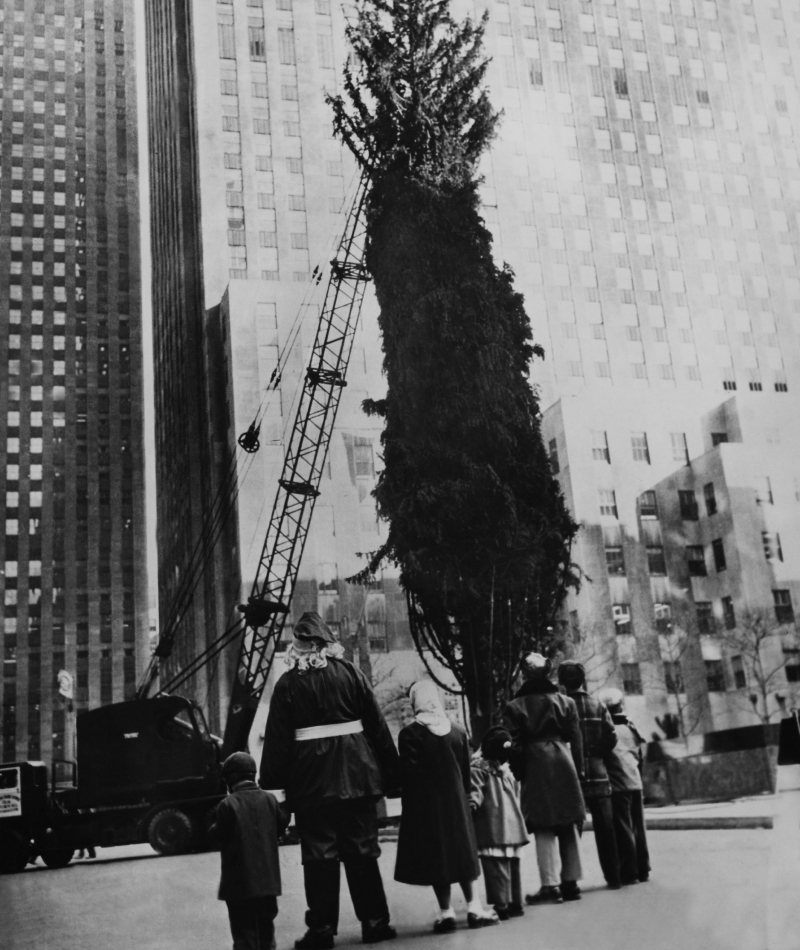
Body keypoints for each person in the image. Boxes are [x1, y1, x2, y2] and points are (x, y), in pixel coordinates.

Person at [260, 612, 400, 950]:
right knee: (362, 850)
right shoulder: (352, 673)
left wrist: (273, 785)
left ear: (304, 648)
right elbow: (377, 726)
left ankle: (322, 930)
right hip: (358, 775)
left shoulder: (288, 683)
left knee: (319, 854)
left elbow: (278, 739)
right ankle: (375, 922)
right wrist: (393, 775)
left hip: (311, 783)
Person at [394, 681, 497, 933]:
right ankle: (474, 907)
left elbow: (408, 776)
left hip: (426, 808)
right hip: (457, 803)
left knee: (437, 857)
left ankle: (446, 912)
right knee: (463, 853)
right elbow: (464, 772)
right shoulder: (458, 732)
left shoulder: (409, 734)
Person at [503, 653, 585, 904]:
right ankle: (571, 883)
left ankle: (550, 886)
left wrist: (520, 772)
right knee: (568, 821)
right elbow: (577, 739)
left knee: (543, 825)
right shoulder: (566, 702)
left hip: (535, 763)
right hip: (564, 762)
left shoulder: (515, 707)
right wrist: (578, 770)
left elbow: (513, 745)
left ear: (525, 675)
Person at [210, 752, 290, 950]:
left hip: (239, 884)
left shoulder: (227, 805)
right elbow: (281, 823)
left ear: (229, 779)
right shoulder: (270, 800)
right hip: (267, 881)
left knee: (244, 931)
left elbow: (218, 834)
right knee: (266, 927)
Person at [557, 661, 621, 889]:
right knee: (606, 829)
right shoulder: (597, 705)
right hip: (598, 774)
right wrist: (596, 752)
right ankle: (614, 876)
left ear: (562, 682)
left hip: (570, 776)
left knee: (572, 830)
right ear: (583, 680)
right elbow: (612, 737)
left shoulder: (561, 707)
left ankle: (570, 881)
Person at [469, 724, 529, 920]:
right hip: (513, 826)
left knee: (495, 867)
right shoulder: (505, 771)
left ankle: (501, 905)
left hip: (492, 827)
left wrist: (468, 809)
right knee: (513, 865)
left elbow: (474, 797)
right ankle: (516, 903)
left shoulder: (477, 769)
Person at [599, 688, 651, 884]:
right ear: (620, 705)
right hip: (635, 781)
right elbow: (640, 756)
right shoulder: (631, 726)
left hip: (617, 784)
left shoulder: (606, 730)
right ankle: (643, 868)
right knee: (638, 826)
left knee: (623, 828)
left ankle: (630, 871)